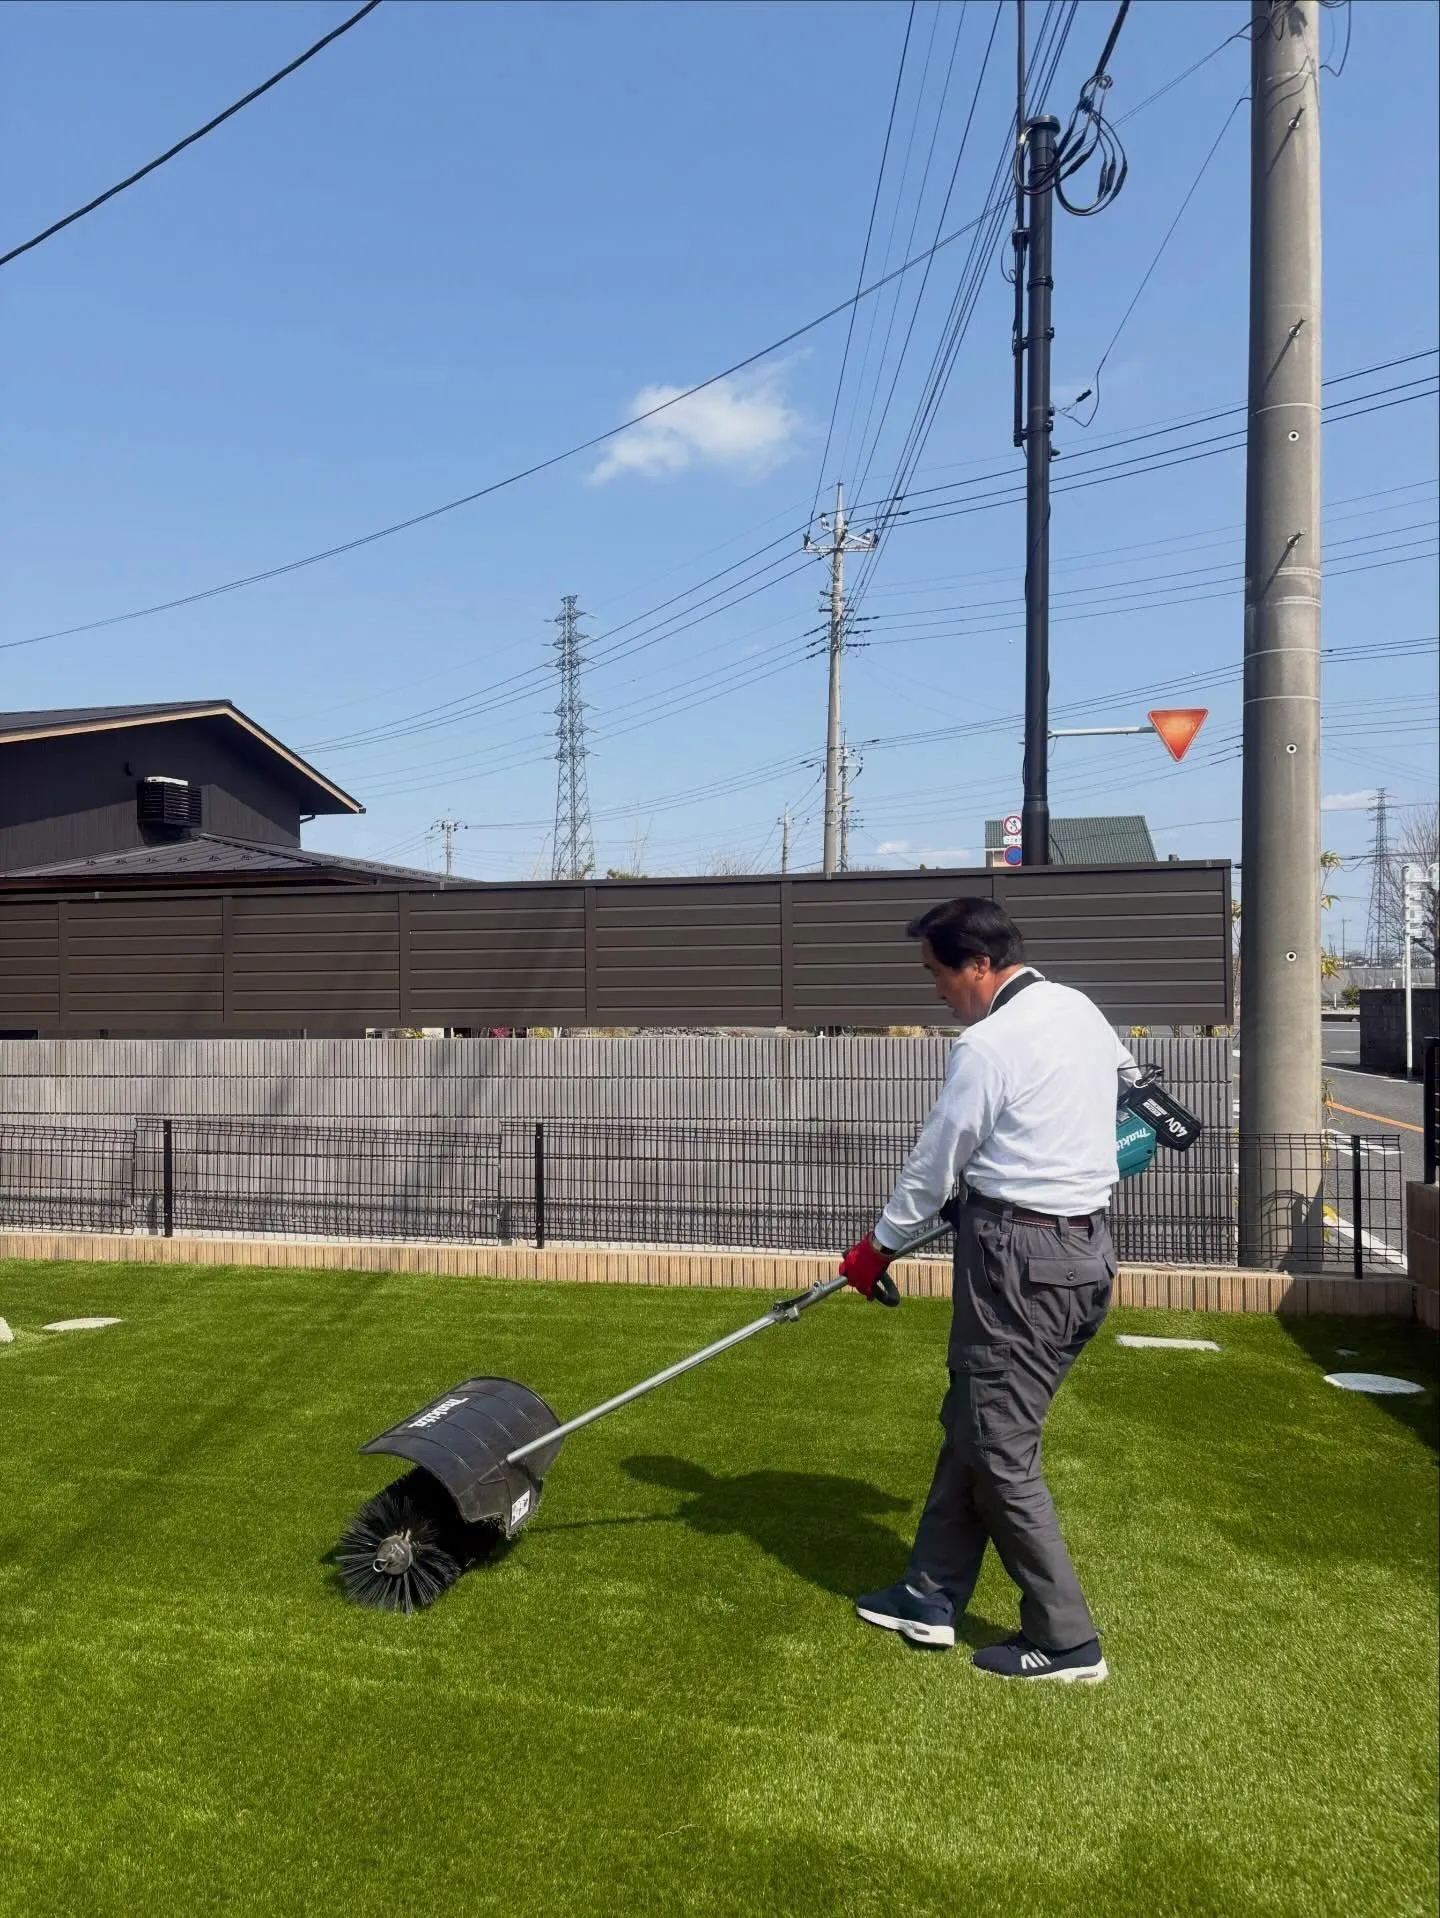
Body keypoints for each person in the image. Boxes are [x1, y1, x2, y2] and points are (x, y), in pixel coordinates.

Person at [840, 895, 1139, 1684]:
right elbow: (1130, 1093)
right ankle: (927, 1596)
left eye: (937, 973)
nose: (935, 989)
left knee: (999, 1447)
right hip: (1083, 1252)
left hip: (1017, 1259)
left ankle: (1067, 1640)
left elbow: (939, 1157)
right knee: (976, 1419)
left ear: (978, 965)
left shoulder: (988, 1043)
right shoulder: (1080, 1009)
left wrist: (879, 1248)